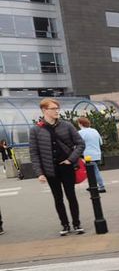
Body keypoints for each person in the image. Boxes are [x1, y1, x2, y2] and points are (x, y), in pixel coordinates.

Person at [29, 98, 85, 235]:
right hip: (50, 170)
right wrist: (39, 173)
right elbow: (34, 153)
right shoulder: (36, 130)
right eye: (53, 108)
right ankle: (65, 225)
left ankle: (77, 223)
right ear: (44, 110)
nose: (56, 111)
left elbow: (80, 144)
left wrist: (70, 160)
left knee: (71, 196)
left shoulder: (67, 125)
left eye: (57, 108)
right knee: (57, 198)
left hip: (67, 167)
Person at [77, 117, 106, 193]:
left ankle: (101, 186)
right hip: (97, 154)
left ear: (80, 124)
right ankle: (92, 186)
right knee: (91, 170)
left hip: (88, 155)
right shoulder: (94, 130)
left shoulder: (81, 132)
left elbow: (77, 144)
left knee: (94, 170)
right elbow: (101, 142)